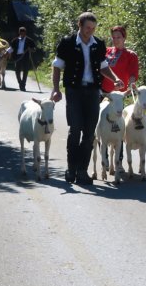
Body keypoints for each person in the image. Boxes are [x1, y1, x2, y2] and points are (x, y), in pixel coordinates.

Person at [50, 12, 124, 186]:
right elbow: (57, 67)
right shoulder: (67, 43)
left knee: (89, 132)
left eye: (92, 28)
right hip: (74, 91)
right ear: (80, 25)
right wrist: (55, 89)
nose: (89, 31)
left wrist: (115, 79)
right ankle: (71, 168)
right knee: (75, 129)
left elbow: (103, 67)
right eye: (87, 28)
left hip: (92, 92)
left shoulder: (98, 44)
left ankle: (82, 171)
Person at [99, 25, 139, 172]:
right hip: (104, 93)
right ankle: (104, 160)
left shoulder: (131, 55)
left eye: (119, 37)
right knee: (100, 127)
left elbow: (133, 73)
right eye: (114, 37)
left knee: (118, 129)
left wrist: (132, 82)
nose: (116, 40)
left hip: (118, 96)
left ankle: (119, 162)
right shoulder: (106, 52)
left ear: (124, 38)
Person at [10, 27, 37, 91]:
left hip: (25, 57)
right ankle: (20, 83)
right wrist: (5, 53)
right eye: (21, 33)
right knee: (17, 71)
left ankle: (23, 84)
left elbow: (34, 49)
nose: (22, 35)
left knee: (25, 71)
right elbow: (11, 48)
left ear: (25, 33)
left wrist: (30, 49)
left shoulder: (29, 40)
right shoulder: (15, 40)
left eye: (23, 33)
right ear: (19, 33)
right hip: (17, 58)